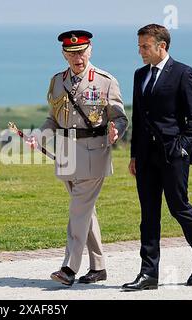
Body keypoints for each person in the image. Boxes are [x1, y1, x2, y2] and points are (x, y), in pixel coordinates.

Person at [28, 30, 128, 286]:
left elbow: (120, 117)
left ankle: (69, 268)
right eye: (71, 53)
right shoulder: (57, 81)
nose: (77, 57)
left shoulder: (105, 81)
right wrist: (38, 137)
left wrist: (116, 130)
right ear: (64, 54)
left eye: (81, 52)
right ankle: (99, 267)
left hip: (94, 153)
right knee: (85, 210)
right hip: (66, 155)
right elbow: (53, 119)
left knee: (78, 211)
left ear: (90, 51)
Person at [124, 24, 192, 291]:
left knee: (179, 208)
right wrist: (134, 155)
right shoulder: (140, 75)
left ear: (161, 46)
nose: (140, 51)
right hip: (146, 157)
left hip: (174, 155)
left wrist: (182, 148)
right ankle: (148, 274)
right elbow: (138, 119)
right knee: (149, 214)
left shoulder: (184, 73)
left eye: (145, 46)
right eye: (139, 46)